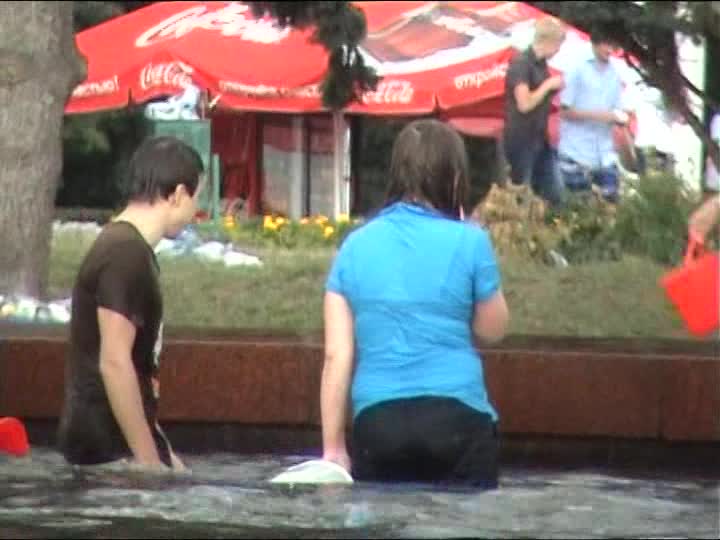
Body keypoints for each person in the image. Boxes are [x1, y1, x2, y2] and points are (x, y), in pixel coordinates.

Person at [320, 119, 510, 488]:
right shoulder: (471, 242)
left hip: (378, 424)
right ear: (455, 177)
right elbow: (493, 330)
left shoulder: (353, 247)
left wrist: (334, 449)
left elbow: (336, 356)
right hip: (459, 420)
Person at [57, 136, 204, 471]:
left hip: (113, 443)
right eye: (197, 198)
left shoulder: (127, 248)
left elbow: (135, 367)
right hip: (107, 448)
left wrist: (163, 453)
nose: (196, 211)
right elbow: (115, 361)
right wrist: (149, 462)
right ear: (178, 194)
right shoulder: (125, 253)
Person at [557, 29, 631, 203]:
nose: (610, 50)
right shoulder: (576, 68)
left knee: (612, 207)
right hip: (576, 154)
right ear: (595, 44)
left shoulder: (615, 74)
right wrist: (600, 116)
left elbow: (616, 111)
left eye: (613, 45)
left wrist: (620, 120)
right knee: (579, 210)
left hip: (605, 155)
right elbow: (564, 111)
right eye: (606, 45)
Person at [503, 16, 567, 206]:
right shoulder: (521, 64)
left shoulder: (542, 65)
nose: (558, 51)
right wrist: (548, 86)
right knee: (522, 195)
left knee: (555, 195)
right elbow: (524, 104)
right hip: (521, 139)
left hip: (540, 138)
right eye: (558, 45)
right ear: (548, 42)